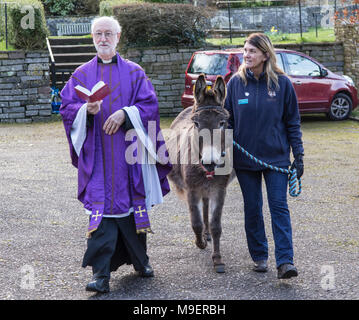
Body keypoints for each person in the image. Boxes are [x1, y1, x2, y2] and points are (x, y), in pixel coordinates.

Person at [60, 16, 172, 293]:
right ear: (92, 38)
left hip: (128, 154)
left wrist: (126, 113)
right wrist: (85, 111)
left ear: (118, 37)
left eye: (108, 33)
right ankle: (101, 275)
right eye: (98, 34)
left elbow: (149, 105)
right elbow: (66, 107)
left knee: (131, 207)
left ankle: (140, 260)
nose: (103, 39)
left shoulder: (135, 72)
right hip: (98, 154)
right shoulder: (81, 74)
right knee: (102, 209)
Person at [224, 33, 304, 279]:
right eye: (245, 50)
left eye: (252, 51)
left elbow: (292, 122)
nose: (246, 55)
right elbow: (226, 122)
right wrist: (218, 156)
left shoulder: (282, 84)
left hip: (276, 160)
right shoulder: (235, 84)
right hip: (245, 161)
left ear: (265, 55)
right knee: (253, 208)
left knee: (279, 207)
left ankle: (285, 261)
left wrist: (298, 156)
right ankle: (259, 256)